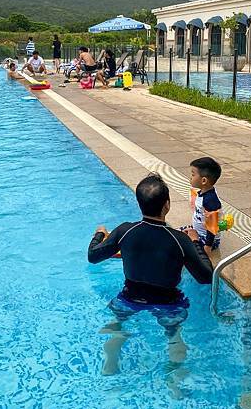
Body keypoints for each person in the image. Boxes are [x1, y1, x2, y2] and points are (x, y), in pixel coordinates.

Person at [88, 173, 212, 376]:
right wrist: (196, 242)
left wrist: (100, 234)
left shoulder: (125, 231)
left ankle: (110, 364)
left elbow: (93, 257)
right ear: (167, 205)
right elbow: (206, 277)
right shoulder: (180, 239)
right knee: (174, 336)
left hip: (130, 296)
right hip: (168, 301)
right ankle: (174, 380)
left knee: (117, 328)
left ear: (139, 204)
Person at [188, 157, 223, 255]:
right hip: (198, 232)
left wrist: (208, 246)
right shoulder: (203, 193)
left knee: (181, 247)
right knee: (174, 235)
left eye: (193, 174)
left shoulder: (210, 201)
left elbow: (213, 225)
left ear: (203, 180)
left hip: (206, 239)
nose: (190, 177)